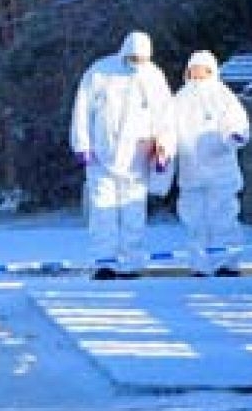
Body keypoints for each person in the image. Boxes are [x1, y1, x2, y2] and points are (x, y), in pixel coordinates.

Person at [70, 31, 175, 279]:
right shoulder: (100, 72)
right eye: (133, 57)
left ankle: (131, 263)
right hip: (101, 156)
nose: (137, 63)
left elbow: (165, 118)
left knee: (133, 212)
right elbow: (82, 109)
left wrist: (164, 149)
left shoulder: (154, 77)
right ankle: (104, 262)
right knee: (103, 210)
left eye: (141, 59)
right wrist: (82, 144)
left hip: (137, 159)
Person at [172, 50, 251, 277]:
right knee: (195, 219)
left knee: (224, 217)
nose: (197, 74)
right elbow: (167, 127)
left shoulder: (223, 96)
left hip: (221, 171)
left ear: (211, 70)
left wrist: (235, 136)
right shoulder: (180, 98)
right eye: (193, 69)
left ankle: (227, 262)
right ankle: (201, 264)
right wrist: (165, 149)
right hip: (191, 170)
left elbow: (237, 122)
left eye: (202, 69)